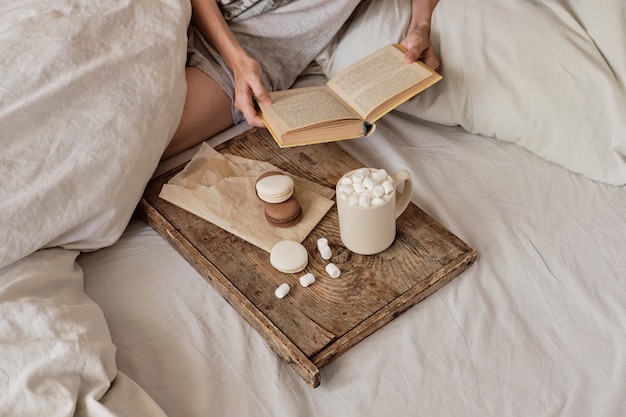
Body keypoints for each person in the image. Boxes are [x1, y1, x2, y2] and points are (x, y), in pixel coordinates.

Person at [163, 0, 440, 159]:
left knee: (146, 144)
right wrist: (237, 60)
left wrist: (420, 27)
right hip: (178, 10)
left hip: (261, 48)